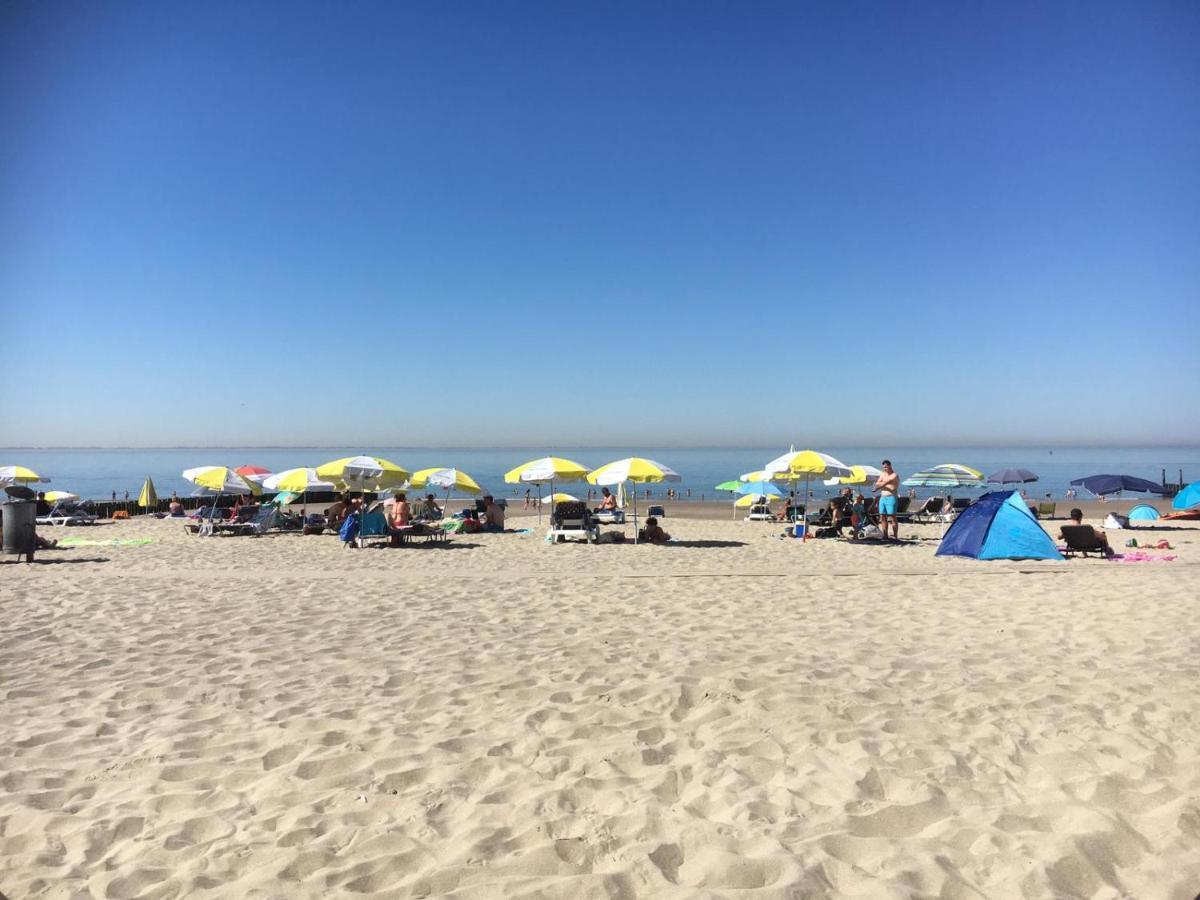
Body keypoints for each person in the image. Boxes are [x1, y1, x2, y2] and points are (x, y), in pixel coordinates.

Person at [872, 459, 900, 539]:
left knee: (892, 516)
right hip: (883, 497)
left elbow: (892, 486)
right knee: (882, 516)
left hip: (891, 497)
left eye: (886, 467)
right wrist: (885, 485)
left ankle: (895, 535)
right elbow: (877, 483)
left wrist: (883, 485)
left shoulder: (894, 475)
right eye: (883, 467)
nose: (884, 469)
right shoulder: (882, 474)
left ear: (890, 466)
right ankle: (885, 535)